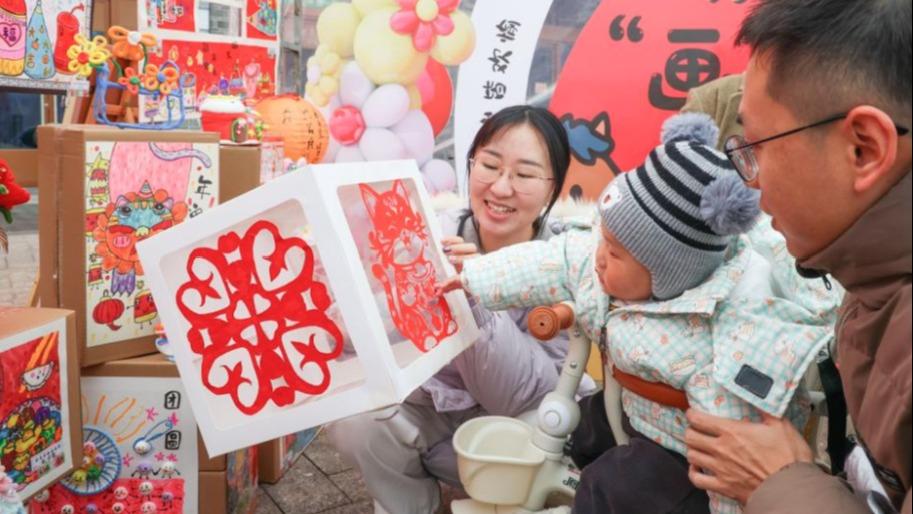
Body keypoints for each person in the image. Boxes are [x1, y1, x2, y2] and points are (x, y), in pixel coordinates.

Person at [442, 112, 841, 513]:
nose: (599, 257)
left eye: (613, 252)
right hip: (630, 400)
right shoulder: (613, 254)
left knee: (611, 486)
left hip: (681, 446)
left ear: (666, 274)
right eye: (603, 239)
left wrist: (733, 503)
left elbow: (732, 445)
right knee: (583, 429)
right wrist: (472, 276)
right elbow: (558, 259)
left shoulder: (727, 336)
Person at [683, 1, 912, 513]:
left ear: (865, 149)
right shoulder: (874, 274)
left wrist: (782, 483)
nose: (752, 180)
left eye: (756, 147)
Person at [328, 105, 591, 514]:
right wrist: (344, 329)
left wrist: (476, 292)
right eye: (489, 165)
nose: (501, 189)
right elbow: (383, 345)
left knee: (539, 433)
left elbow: (519, 394)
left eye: (523, 175)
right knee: (358, 421)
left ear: (552, 187)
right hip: (433, 414)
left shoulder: (566, 264)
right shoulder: (429, 232)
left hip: (515, 423)